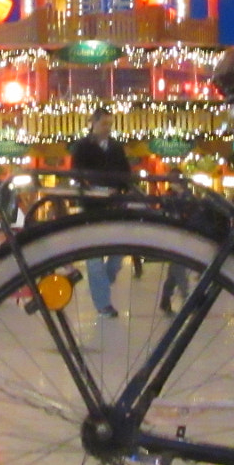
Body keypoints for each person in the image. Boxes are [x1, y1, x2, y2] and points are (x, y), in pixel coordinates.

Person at [68, 106, 134, 316]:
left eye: (110, 123)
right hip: (91, 207)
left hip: (114, 204)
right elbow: (77, 172)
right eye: (104, 123)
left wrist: (122, 188)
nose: (107, 127)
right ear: (93, 123)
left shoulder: (115, 147)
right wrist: (92, 187)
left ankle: (104, 280)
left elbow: (126, 172)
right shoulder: (82, 146)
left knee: (118, 252)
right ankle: (103, 303)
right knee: (94, 258)